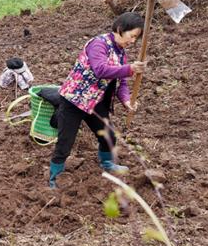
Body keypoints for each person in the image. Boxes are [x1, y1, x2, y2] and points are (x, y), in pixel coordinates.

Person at [48, 12, 147, 188]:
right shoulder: (98, 44)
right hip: (74, 100)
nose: (132, 41)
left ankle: (107, 163)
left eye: (136, 38)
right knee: (65, 142)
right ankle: (55, 176)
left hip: (95, 102)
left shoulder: (121, 53)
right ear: (119, 29)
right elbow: (100, 70)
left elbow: (121, 82)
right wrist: (129, 69)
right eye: (132, 36)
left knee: (108, 134)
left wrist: (126, 100)